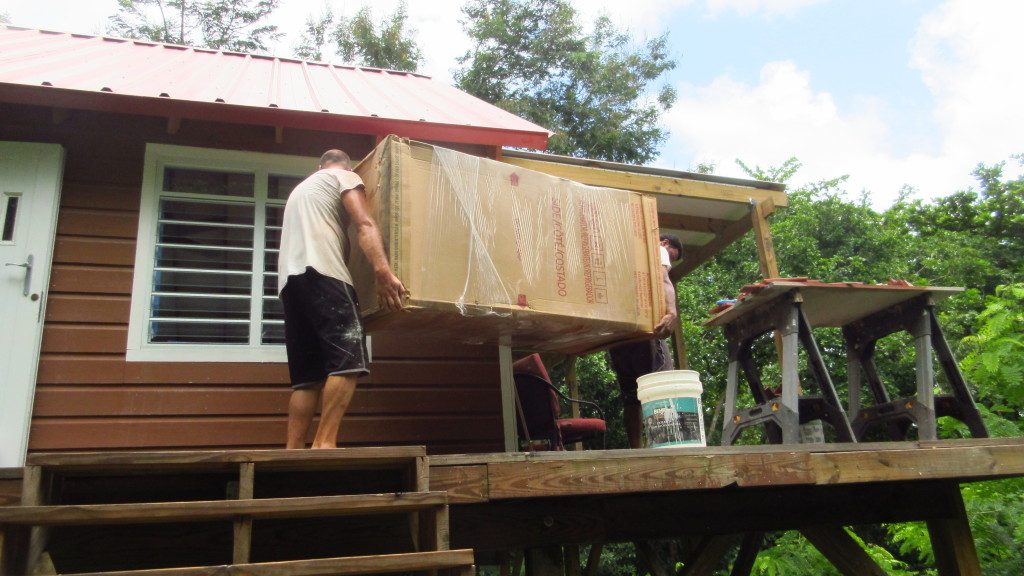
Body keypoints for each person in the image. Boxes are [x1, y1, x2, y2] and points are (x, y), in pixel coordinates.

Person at [277, 149, 407, 449]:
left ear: (319, 165)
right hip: (323, 272)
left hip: (290, 283)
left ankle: (292, 452)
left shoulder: (301, 190)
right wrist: (384, 273)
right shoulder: (344, 176)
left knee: (307, 378)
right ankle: (325, 444)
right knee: (347, 362)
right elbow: (364, 224)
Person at [607, 233, 683, 448]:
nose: (669, 263)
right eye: (671, 256)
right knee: (662, 384)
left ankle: (637, 449)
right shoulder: (656, 249)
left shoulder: (621, 252)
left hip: (618, 334)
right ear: (665, 243)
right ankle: (664, 446)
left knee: (631, 396)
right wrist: (671, 312)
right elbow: (663, 279)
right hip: (642, 330)